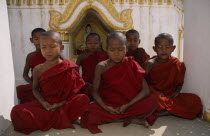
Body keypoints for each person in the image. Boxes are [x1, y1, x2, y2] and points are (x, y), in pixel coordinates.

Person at [11, 31, 90, 135]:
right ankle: (64, 118)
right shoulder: (38, 69)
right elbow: (35, 89)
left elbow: (74, 91)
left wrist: (60, 104)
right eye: (44, 47)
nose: (48, 51)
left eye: (52, 46)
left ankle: (52, 117)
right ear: (40, 48)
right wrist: (43, 103)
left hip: (65, 102)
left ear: (61, 47)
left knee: (83, 99)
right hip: (46, 102)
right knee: (17, 111)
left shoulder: (69, 66)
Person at [80, 31, 157, 134]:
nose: (116, 53)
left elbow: (146, 90)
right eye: (112, 50)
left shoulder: (131, 63)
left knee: (152, 102)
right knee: (89, 111)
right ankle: (129, 117)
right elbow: (94, 91)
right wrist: (105, 107)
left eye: (120, 49)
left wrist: (127, 105)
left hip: (128, 102)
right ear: (107, 49)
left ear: (126, 49)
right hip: (109, 102)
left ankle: (119, 117)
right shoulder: (101, 66)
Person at [144, 33, 202, 119]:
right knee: (153, 99)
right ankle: (170, 111)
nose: (164, 50)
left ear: (173, 48)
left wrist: (176, 92)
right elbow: (142, 82)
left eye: (167, 47)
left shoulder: (177, 64)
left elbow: (179, 83)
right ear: (154, 49)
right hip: (155, 94)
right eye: (160, 47)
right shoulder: (150, 64)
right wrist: (155, 92)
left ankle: (166, 111)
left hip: (169, 96)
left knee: (194, 99)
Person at [16, 28, 46, 103]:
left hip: (48, 85)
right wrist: (33, 84)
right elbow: (25, 74)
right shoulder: (30, 56)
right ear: (31, 40)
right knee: (19, 90)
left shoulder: (51, 53)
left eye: (42, 38)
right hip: (35, 85)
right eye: (36, 39)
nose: (39, 41)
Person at [76, 33, 108, 97]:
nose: (92, 45)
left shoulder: (104, 55)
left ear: (100, 44)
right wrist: (81, 81)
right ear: (86, 44)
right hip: (86, 84)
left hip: (100, 85)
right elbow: (75, 71)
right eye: (90, 43)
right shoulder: (82, 56)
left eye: (95, 43)